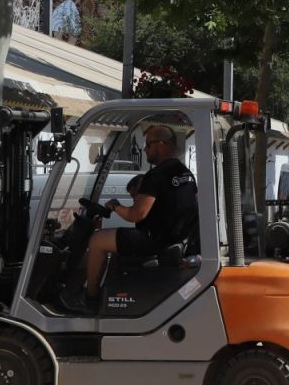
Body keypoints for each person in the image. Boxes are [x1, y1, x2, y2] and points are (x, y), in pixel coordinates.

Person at [70, 125, 198, 309]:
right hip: (174, 237)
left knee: (97, 240)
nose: (145, 149)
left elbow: (137, 215)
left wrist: (114, 205)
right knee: (116, 248)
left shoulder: (156, 175)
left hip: (154, 240)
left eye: (148, 145)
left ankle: (90, 299)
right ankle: (112, 295)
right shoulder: (185, 173)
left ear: (161, 145)